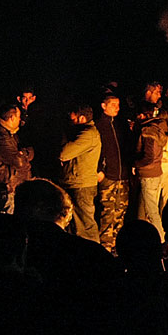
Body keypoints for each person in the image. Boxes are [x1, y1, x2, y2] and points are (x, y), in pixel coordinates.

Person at [59, 104, 102, 243]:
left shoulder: (87, 134)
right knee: (76, 226)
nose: (69, 121)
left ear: (81, 118)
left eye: (72, 119)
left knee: (86, 225)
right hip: (76, 182)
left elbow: (64, 153)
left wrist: (64, 137)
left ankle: (95, 255)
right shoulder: (83, 133)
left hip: (82, 185)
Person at [96, 94, 131, 252]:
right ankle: (106, 247)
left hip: (122, 175)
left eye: (118, 104)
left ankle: (118, 245)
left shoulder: (120, 124)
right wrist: (99, 170)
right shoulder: (99, 126)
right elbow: (97, 150)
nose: (117, 108)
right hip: (108, 176)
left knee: (120, 211)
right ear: (104, 106)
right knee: (108, 212)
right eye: (113, 105)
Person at [0, 103, 33, 215]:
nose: (20, 119)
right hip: (7, 188)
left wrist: (23, 153)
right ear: (12, 118)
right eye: (18, 116)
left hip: (12, 187)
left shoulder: (10, 134)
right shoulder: (1, 137)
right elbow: (19, 162)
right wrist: (25, 154)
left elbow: (25, 154)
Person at [133, 107, 168, 240]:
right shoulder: (158, 129)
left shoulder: (148, 132)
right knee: (151, 208)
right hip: (156, 172)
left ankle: (161, 240)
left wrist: (135, 164)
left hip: (148, 174)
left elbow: (148, 157)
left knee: (151, 210)